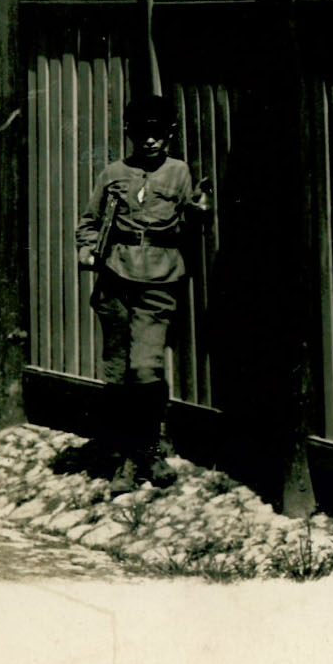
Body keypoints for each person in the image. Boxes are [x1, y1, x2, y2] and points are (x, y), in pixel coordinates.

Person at [76, 93, 213, 488]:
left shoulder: (179, 172)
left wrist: (201, 210)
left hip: (159, 278)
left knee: (145, 369)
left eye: (157, 134)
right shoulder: (113, 172)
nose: (150, 142)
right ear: (131, 134)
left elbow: (191, 220)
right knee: (117, 373)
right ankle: (123, 457)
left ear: (169, 135)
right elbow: (89, 220)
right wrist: (87, 249)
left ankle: (149, 453)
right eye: (142, 134)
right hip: (115, 279)